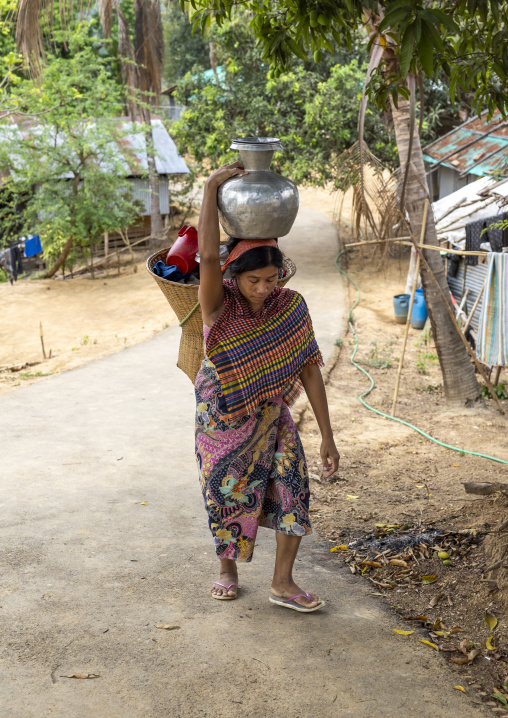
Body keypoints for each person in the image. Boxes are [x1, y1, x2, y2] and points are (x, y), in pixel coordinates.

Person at [195, 161, 340, 613]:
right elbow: (206, 256)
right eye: (253, 280)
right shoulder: (218, 305)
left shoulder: (291, 308)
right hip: (223, 418)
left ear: (283, 276)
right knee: (227, 490)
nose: (262, 288)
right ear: (234, 277)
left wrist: (328, 436)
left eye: (271, 279)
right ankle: (227, 570)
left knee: (293, 488)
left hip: (273, 415)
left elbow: (310, 369)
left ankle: (282, 582)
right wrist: (211, 188)